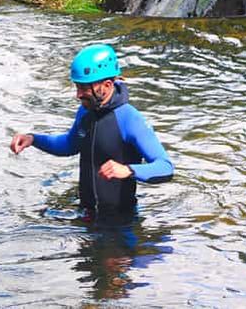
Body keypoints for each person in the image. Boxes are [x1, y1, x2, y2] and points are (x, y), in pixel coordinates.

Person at [10, 44, 173, 221]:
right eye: (77, 87)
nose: (78, 95)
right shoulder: (86, 111)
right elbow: (69, 145)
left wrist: (128, 170)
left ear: (107, 85)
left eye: (84, 88)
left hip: (121, 222)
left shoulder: (129, 118)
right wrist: (33, 139)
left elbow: (165, 167)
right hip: (86, 216)